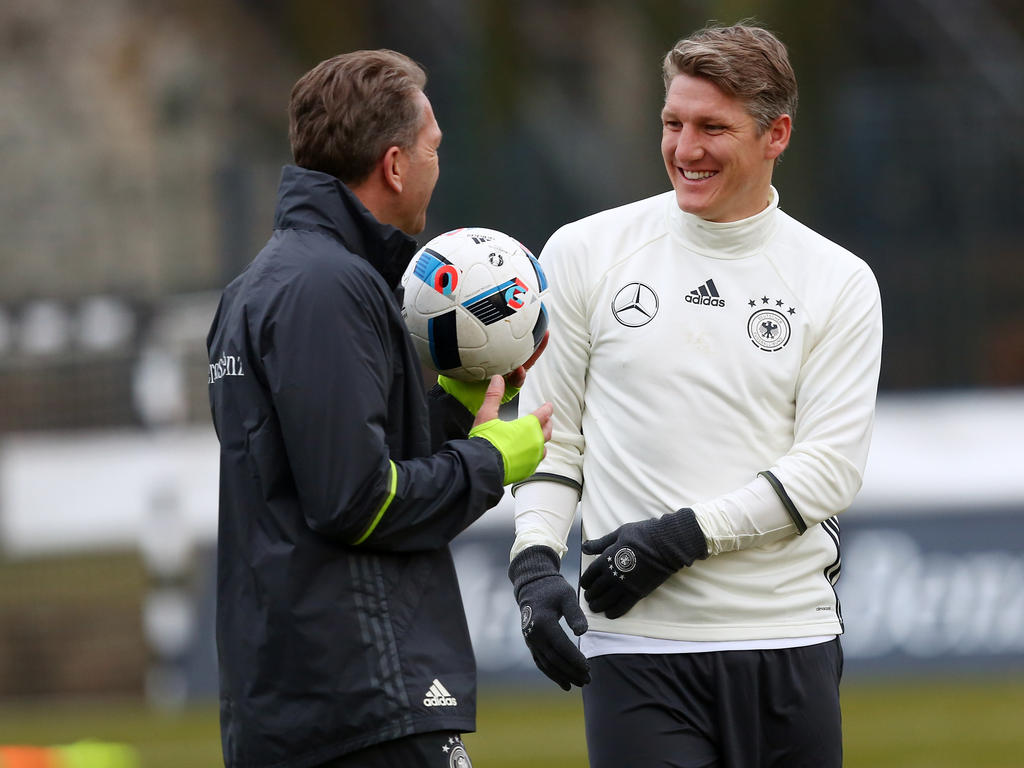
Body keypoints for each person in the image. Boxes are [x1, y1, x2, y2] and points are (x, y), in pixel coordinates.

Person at [507, 22, 882, 768]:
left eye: (713, 127)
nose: (685, 149)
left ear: (776, 134)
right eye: (672, 123)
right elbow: (554, 436)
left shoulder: (837, 279)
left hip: (788, 637)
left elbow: (828, 470)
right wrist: (534, 563)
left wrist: (676, 539)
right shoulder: (583, 252)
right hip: (636, 647)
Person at [207, 49, 552, 768]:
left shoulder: (264, 284)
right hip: (360, 702)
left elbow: (320, 473)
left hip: (301, 699)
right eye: (432, 149)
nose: (436, 165)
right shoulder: (325, 289)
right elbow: (359, 501)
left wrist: (457, 414)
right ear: (394, 165)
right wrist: (491, 462)